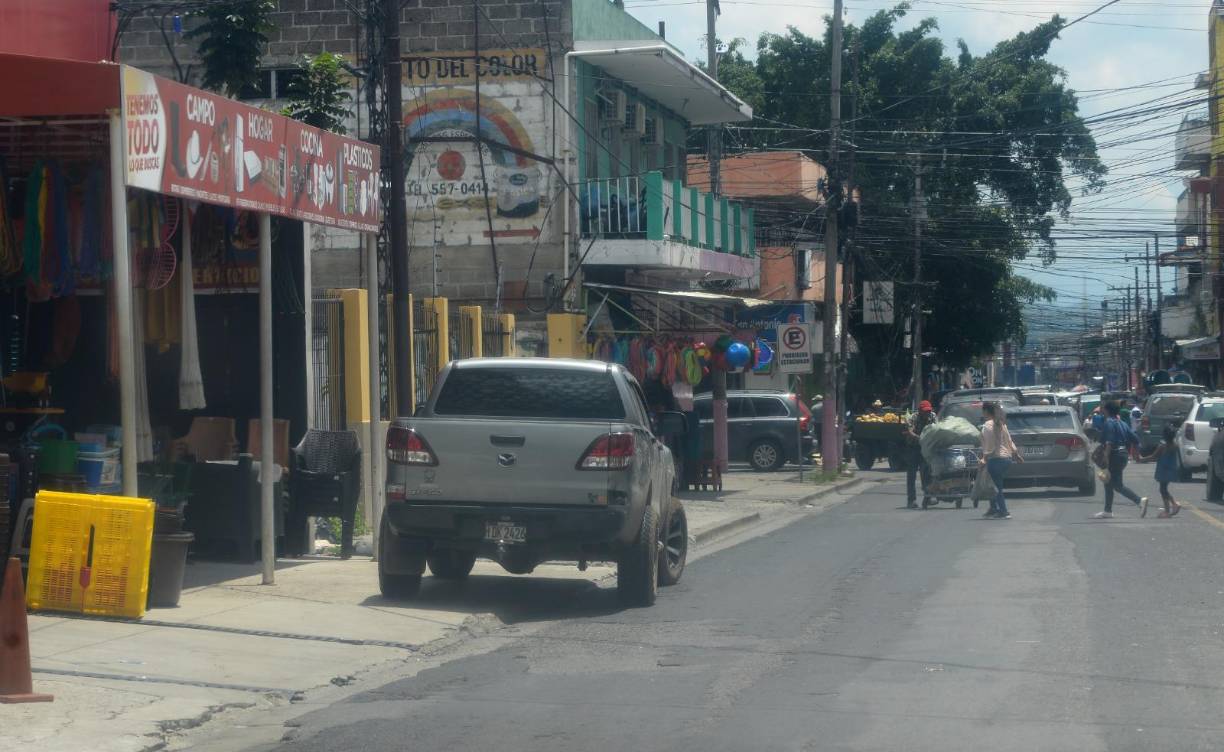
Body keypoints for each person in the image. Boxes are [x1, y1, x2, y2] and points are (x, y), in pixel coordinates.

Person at [1095, 401, 1149, 519]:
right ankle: (1107, 510)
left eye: (1103, 409)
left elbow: (1109, 442)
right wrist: (1137, 454)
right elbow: (1135, 439)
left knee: (1117, 485)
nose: (1102, 411)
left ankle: (1139, 501)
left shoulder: (1109, 422)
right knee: (1108, 481)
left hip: (1114, 455)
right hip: (1123, 454)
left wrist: (1105, 457)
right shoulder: (1122, 423)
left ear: (1107, 411)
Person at [979, 402, 1022, 519]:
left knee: (996, 487)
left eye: (983, 411)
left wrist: (984, 458)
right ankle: (993, 508)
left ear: (986, 412)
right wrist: (1016, 454)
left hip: (995, 460)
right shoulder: (1002, 424)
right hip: (1006, 459)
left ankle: (1003, 511)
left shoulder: (987, 426)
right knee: (992, 484)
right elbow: (1009, 441)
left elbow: (990, 446)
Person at [1139, 424, 1182, 518]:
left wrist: (1141, 459)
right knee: (1164, 489)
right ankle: (1174, 504)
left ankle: (1167, 511)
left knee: (1163, 490)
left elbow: (1153, 457)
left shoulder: (1162, 446)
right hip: (1171, 469)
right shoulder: (1175, 445)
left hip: (1163, 470)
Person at [904, 400, 938, 509]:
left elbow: (937, 429)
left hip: (926, 448)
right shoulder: (913, 417)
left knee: (926, 472)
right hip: (913, 447)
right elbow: (910, 431)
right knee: (911, 475)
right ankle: (911, 500)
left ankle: (928, 496)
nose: (927, 413)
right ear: (919, 411)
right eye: (925, 411)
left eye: (928, 411)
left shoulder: (933, 416)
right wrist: (920, 438)